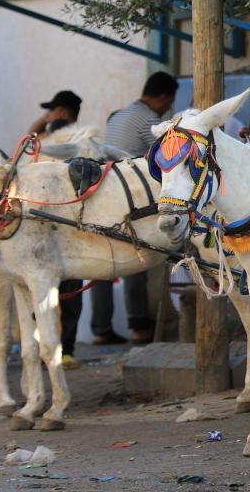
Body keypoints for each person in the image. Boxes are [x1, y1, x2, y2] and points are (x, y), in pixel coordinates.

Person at [91, 71, 178, 345]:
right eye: (169, 102)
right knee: (136, 258)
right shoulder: (150, 121)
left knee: (102, 265)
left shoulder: (118, 116)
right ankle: (140, 326)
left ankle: (101, 329)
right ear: (164, 97)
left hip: (104, 192)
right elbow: (171, 159)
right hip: (131, 196)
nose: (168, 108)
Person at [31, 90, 85, 370]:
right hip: (71, 232)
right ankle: (64, 350)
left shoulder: (49, 146)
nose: (47, 116)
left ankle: (47, 348)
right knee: (69, 293)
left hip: (48, 231)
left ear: (62, 113)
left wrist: (43, 124)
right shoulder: (82, 143)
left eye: (51, 111)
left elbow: (25, 146)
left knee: (46, 293)